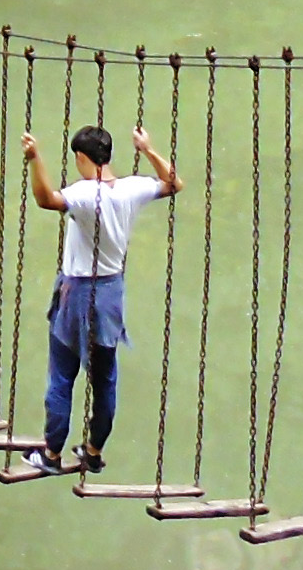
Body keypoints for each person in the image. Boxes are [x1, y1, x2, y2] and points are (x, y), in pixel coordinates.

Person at [18, 120, 181, 476]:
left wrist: (34, 158)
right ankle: (93, 451)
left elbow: (46, 199)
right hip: (111, 292)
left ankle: (52, 453)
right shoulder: (132, 189)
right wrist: (148, 149)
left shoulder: (83, 195)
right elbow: (174, 183)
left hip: (76, 291)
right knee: (104, 379)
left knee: (62, 375)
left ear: (81, 157)